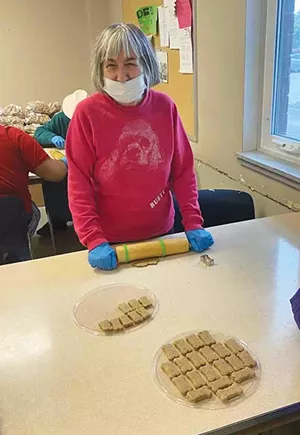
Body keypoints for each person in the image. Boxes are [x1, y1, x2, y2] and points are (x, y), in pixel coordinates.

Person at [66, 23, 214, 271]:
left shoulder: (165, 107)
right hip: (109, 241)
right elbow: (78, 182)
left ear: (146, 64)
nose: (121, 76)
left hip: (162, 232)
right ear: (100, 69)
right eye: (111, 65)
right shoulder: (86, 113)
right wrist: (93, 239)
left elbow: (183, 171)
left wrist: (193, 223)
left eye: (130, 64)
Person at [0, 125, 68, 262]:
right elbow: (55, 173)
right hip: (10, 218)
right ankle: (17, 259)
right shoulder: (13, 136)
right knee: (33, 213)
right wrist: (65, 162)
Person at [34, 90, 87, 235]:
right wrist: (51, 137)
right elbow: (40, 132)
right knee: (53, 180)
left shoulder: (94, 117)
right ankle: (56, 221)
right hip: (66, 166)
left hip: (88, 165)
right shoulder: (61, 119)